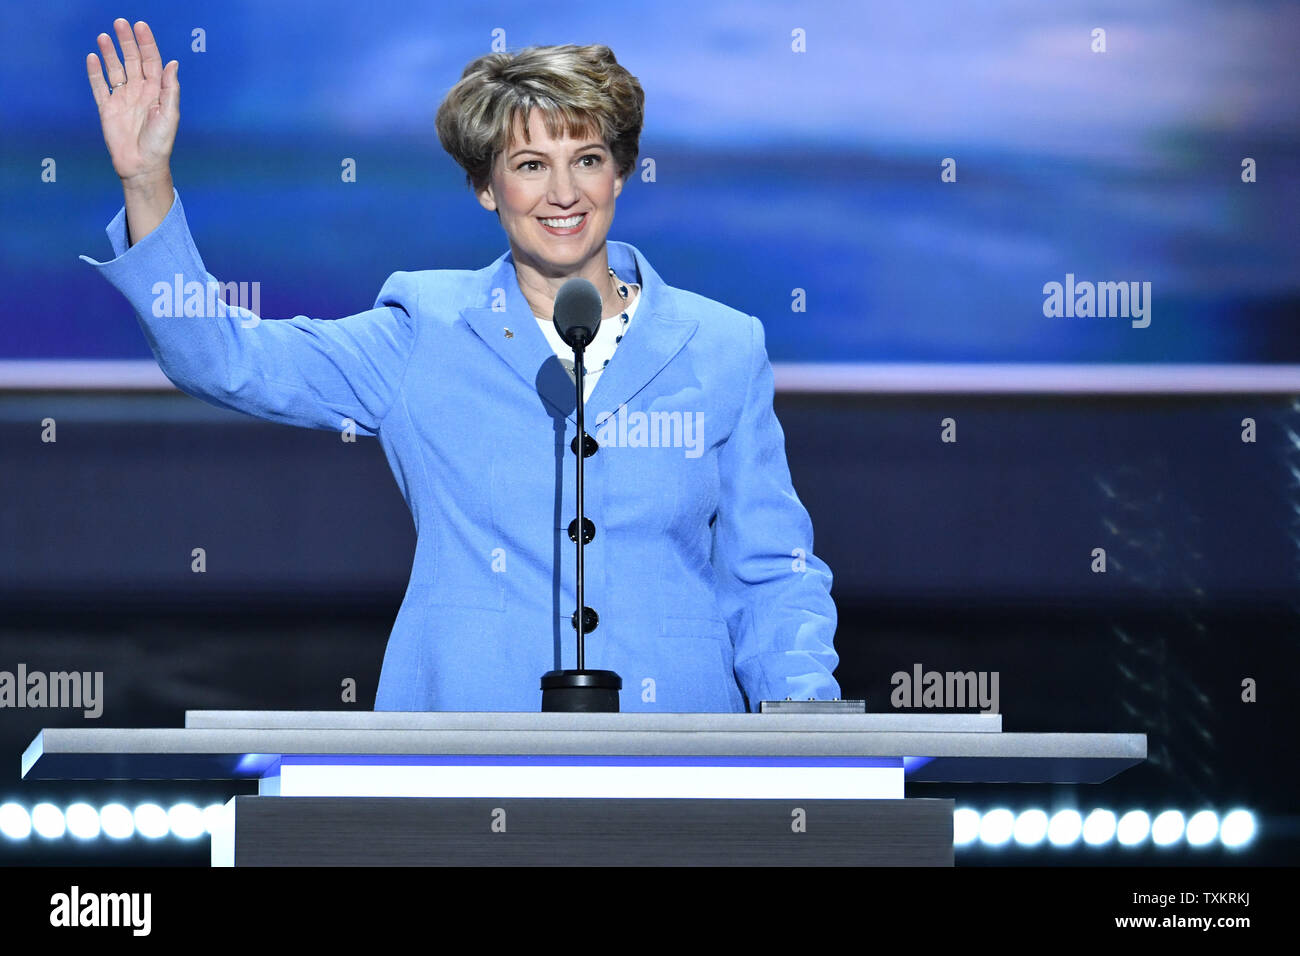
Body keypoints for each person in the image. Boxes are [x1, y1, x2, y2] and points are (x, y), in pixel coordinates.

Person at [82, 19, 840, 712]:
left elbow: (774, 570)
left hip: (680, 748)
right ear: (486, 187)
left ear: (621, 174)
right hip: (466, 738)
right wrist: (147, 182)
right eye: (531, 164)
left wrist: (809, 733)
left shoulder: (722, 345)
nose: (564, 192)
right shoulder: (425, 329)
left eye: (588, 159)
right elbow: (224, 358)